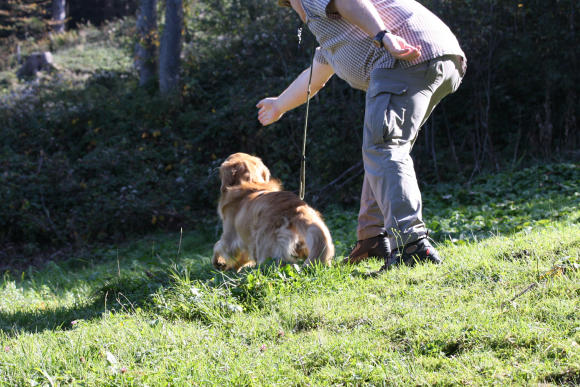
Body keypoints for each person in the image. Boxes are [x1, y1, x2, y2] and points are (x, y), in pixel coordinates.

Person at [257, 0, 466, 269]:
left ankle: (412, 245)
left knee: (384, 149)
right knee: (381, 151)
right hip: (440, 56)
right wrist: (279, 104)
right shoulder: (336, 35)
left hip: (405, 57)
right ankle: (372, 240)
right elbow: (316, 76)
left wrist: (384, 36)